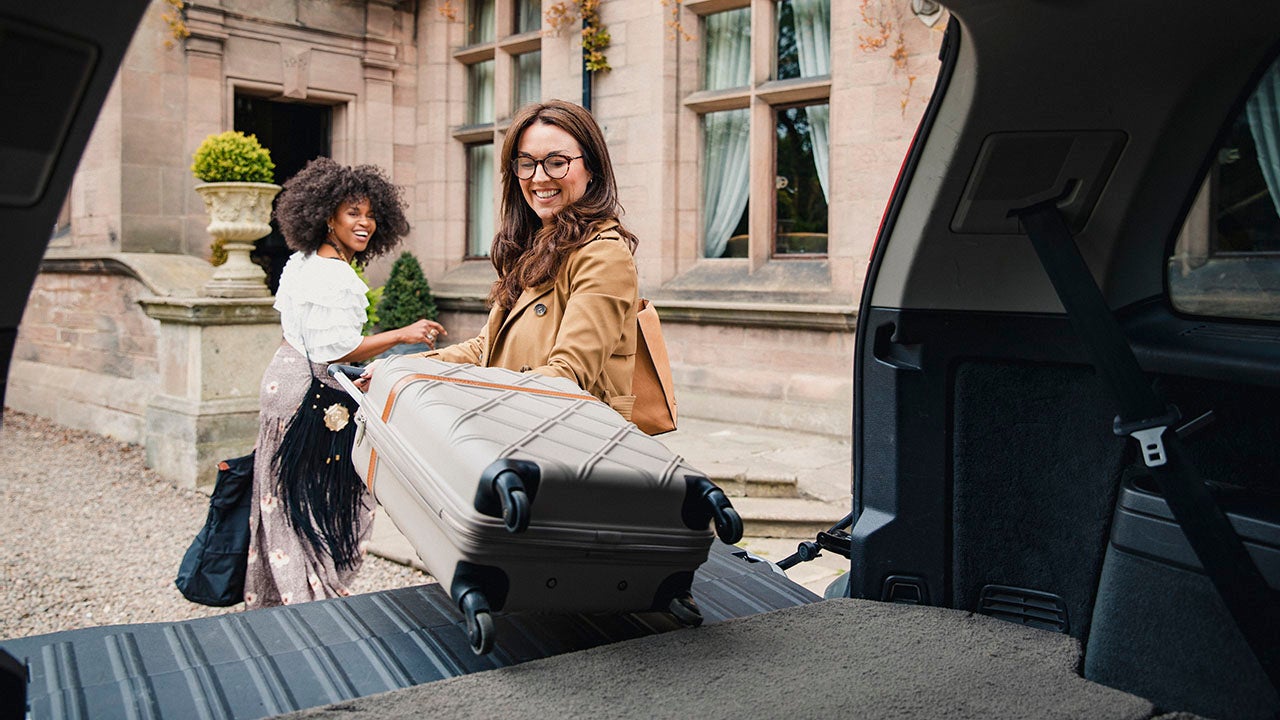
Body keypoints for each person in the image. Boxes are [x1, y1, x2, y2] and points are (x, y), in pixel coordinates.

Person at [245, 157, 446, 608]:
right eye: (353, 212)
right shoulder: (335, 277)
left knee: (284, 495)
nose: (366, 223)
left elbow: (296, 335)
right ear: (326, 215)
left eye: (371, 214)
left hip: (282, 377)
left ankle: (277, 596)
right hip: (308, 393)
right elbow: (335, 351)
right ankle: (308, 599)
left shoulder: (301, 263)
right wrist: (403, 334)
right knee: (319, 498)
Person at [364, 100, 640, 419]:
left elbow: (567, 378)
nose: (539, 178)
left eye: (556, 162)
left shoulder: (602, 253)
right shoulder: (530, 248)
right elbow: (485, 348)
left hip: (569, 444)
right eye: (526, 163)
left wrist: (458, 389)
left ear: (591, 168)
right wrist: (401, 368)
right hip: (516, 429)